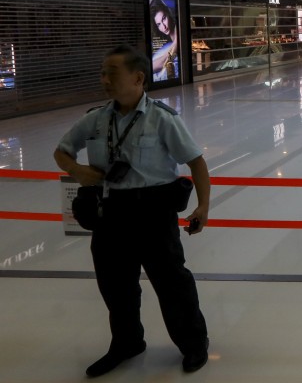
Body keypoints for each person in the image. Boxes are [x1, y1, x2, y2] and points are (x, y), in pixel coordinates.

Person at [53, 45, 210, 377]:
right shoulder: (95, 118)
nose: (105, 79)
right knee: (115, 286)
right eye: (102, 72)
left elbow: (196, 161)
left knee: (172, 285)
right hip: (109, 214)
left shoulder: (162, 119)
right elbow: (62, 151)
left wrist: (203, 206)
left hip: (153, 214)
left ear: (138, 78)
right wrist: (79, 172)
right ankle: (127, 343)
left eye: (112, 72)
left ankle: (194, 344)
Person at [150, 0, 178, 82]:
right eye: (159, 24)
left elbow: (163, 63)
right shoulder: (168, 43)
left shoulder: (178, 31)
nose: (164, 27)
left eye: (164, 18)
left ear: (169, 14)